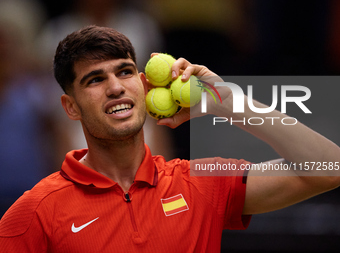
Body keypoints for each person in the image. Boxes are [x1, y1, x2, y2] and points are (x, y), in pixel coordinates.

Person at [0, 25, 339, 252]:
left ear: (144, 84)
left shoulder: (202, 184)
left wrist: (230, 102)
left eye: (124, 71)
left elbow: (329, 167)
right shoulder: (35, 213)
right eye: (94, 80)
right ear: (70, 107)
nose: (116, 87)